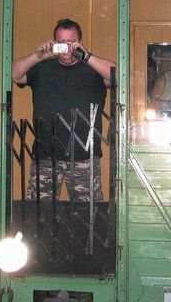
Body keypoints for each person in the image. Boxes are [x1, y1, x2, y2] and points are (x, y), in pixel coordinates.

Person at [12, 19, 116, 202]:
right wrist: (39, 56)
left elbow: (118, 75)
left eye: (70, 42)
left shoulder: (93, 69)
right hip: (46, 155)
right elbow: (13, 74)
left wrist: (87, 56)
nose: (66, 48)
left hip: (84, 156)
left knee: (88, 215)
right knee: (38, 214)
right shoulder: (42, 67)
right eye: (61, 42)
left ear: (80, 43)